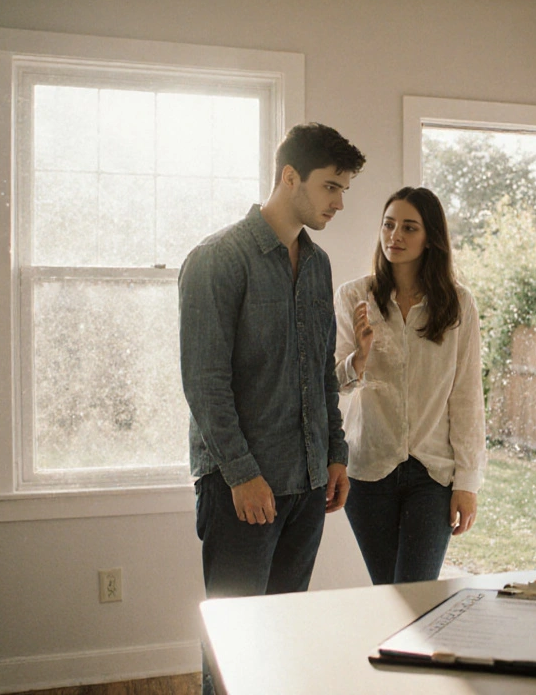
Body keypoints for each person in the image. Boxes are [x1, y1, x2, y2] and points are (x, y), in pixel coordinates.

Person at [178, 123, 365, 694]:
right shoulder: (217, 260)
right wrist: (242, 475)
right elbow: (205, 383)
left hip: (308, 486)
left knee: (284, 644)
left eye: (344, 190)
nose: (338, 203)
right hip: (242, 491)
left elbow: (320, 372)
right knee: (232, 650)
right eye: (330, 186)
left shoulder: (319, 265)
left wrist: (335, 454)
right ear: (290, 177)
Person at [333, 186, 486, 585]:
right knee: (389, 594)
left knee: (416, 593)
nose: (394, 236)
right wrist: (359, 358)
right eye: (388, 225)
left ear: (431, 237)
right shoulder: (354, 297)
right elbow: (333, 384)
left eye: (409, 227)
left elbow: (467, 397)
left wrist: (467, 483)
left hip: (432, 475)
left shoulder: (458, 305)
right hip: (369, 469)